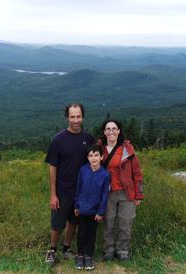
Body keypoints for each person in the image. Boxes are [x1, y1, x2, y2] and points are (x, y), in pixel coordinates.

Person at [44, 103, 94, 265]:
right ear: (67, 117)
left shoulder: (88, 139)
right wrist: (53, 194)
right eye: (72, 117)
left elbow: (97, 158)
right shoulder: (58, 140)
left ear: (83, 117)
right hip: (62, 190)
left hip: (80, 191)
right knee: (57, 223)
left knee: (74, 221)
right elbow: (52, 167)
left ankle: (66, 249)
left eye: (78, 116)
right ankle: (52, 250)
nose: (75, 120)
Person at [100, 119, 144, 261]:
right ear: (104, 132)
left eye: (114, 128)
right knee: (109, 223)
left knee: (126, 223)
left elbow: (137, 173)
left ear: (119, 131)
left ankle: (122, 250)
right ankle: (109, 249)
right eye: (108, 129)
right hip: (108, 193)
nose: (111, 131)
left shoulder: (127, 150)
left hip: (127, 192)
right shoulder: (99, 149)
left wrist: (138, 194)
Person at [74, 144, 110, 270]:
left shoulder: (105, 174)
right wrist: (76, 205)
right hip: (83, 209)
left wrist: (101, 212)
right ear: (87, 157)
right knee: (81, 233)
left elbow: (105, 195)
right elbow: (78, 188)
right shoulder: (83, 170)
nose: (93, 158)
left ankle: (89, 256)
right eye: (90, 156)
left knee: (91, 234)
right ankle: (79, 255)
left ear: (101, 157)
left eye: (96, 155)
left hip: (95, 212)